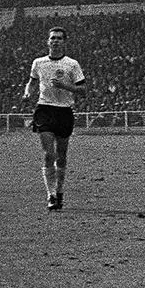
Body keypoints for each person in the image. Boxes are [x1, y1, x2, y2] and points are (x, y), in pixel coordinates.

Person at [23, 26, 87, 210]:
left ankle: (59, 191)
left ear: (64, 42)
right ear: (48, 41)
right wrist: (28, 93)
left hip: (64, 111)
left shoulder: (72, 64)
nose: (55, 41)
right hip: (44, 109)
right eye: (53, 38)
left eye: (59, 38)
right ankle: (50, 195)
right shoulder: (39, 62)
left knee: (61, 155)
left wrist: (66, 86)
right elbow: (32, 82)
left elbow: (83, 90)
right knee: (48, 153)